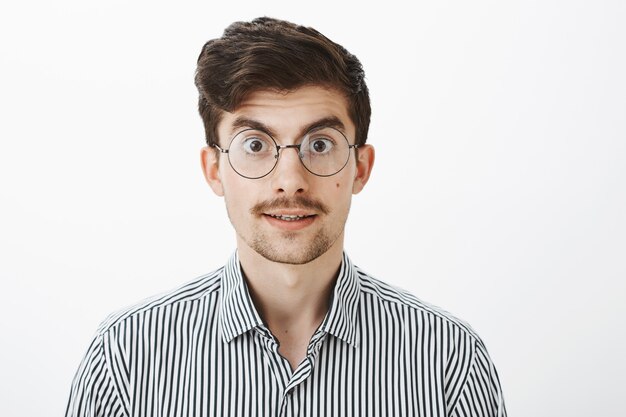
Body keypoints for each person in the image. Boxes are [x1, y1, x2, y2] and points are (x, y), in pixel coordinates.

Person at [65, 17, 506, 417]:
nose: (290, 181)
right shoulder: (124, 357)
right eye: (255, 145)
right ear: (214, 170)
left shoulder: (450, 361)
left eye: (320, 143)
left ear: (361, 167)